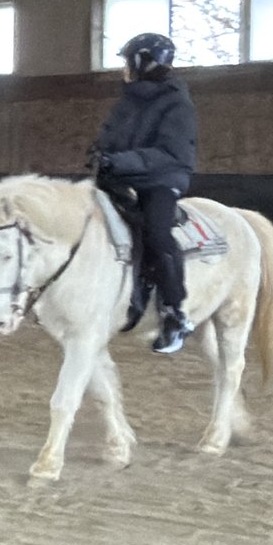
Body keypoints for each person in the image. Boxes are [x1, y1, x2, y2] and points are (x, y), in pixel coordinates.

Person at [93, 31, 199, 356]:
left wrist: (120, 160)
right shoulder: (128, 102)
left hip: (162, 178)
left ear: (144, 62)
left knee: (157, 233)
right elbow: (110, 136)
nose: (124, 68)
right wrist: (101, 152)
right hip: (126, 173)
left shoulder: (178, 103)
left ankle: (174, 312)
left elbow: (172, 153)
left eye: (128, 61)